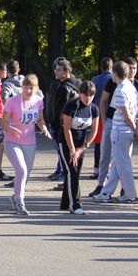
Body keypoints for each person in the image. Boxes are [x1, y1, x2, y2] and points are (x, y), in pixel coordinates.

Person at [91, 57, 138, 196]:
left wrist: (136, 128)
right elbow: (106, 102)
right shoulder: (125, 87)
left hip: (122, 128)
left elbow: (131, 113)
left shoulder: (126, 89)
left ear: (115, 74)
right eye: (130, 68)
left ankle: (128, 193)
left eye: (134, 68)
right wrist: (105, 122)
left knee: (122, 163)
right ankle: (105, 190)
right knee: (114, 160)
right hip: (119, 125)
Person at [1, 74, 53, 215]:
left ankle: (15, 195)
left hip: (30, 142)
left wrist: (44, 129)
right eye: (25, 87)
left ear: (36, 89)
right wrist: (11, 129)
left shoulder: (38, 101)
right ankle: (19, 202)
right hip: (12, 141)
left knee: (26, 174)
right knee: (21, 170)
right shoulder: (12, 101)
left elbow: (40, 119)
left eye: (31, 88)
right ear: (22, 87)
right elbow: (3, 123)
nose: (28, 91)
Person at [60, 81, 100, 215]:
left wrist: (82, 148)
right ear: (80, 93)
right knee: (72, 171)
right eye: (85, 95)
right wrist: (72, 150)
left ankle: (65, 202)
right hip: (66, 141)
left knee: (75, 172)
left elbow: (94, 131)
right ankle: (75, 204)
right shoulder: (71, 106)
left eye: (91, 95)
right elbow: (67, 130)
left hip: (81, 142)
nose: (88, 98)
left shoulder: (94, 109)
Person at [48, 59, 81, 189]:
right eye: (55, 69)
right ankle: (68, 181)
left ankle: (67, 181)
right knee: (70, 155)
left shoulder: (64, 88)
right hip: (75, 125)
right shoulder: (78, 84)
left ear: (66, 71)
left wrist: (54, 124)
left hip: (62, 127)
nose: (56, 72)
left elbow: (59, 110)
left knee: (65, 155)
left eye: (59, 70)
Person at [90, 57, 114, 178]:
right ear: (111, 66)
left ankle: (96, 169)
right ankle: (109, 168)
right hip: (110, 114)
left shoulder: (95, 79)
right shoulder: (113, 79)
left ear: (101, 67)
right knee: (111, 143)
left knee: (98, 143)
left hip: (97, 114)